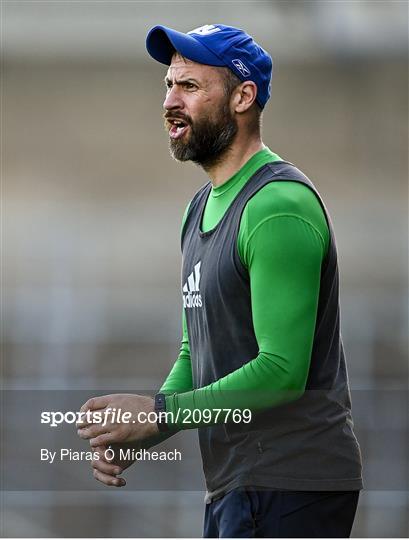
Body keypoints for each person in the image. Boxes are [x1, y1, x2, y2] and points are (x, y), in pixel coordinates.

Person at [77, 24, 363, 538]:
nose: (170, 101)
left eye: (189, 87)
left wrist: (160, 414)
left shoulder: (277, 205)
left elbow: (281, 371)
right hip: (237, 484)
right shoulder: (199, 210)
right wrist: (139, 432)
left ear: (242, 96)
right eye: (168, 85)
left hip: (293, 484)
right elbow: (196, 352)